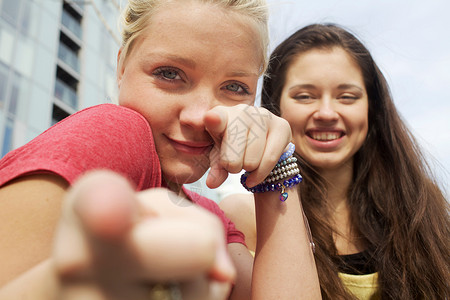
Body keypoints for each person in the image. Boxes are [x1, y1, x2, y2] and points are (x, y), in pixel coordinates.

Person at [0, 1, 321, 299]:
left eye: (235, 87)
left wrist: (275, 165)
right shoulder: (119, 132)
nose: (199, 116)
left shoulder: (212, 219)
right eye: (169, 74)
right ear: (122, 66)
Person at [220, 23, 449, 299]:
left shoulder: (423, 207)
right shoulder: (246, 215)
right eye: (304, 96)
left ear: (372, 108)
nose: (326, 112)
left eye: (347, 97)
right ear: (275, 107)